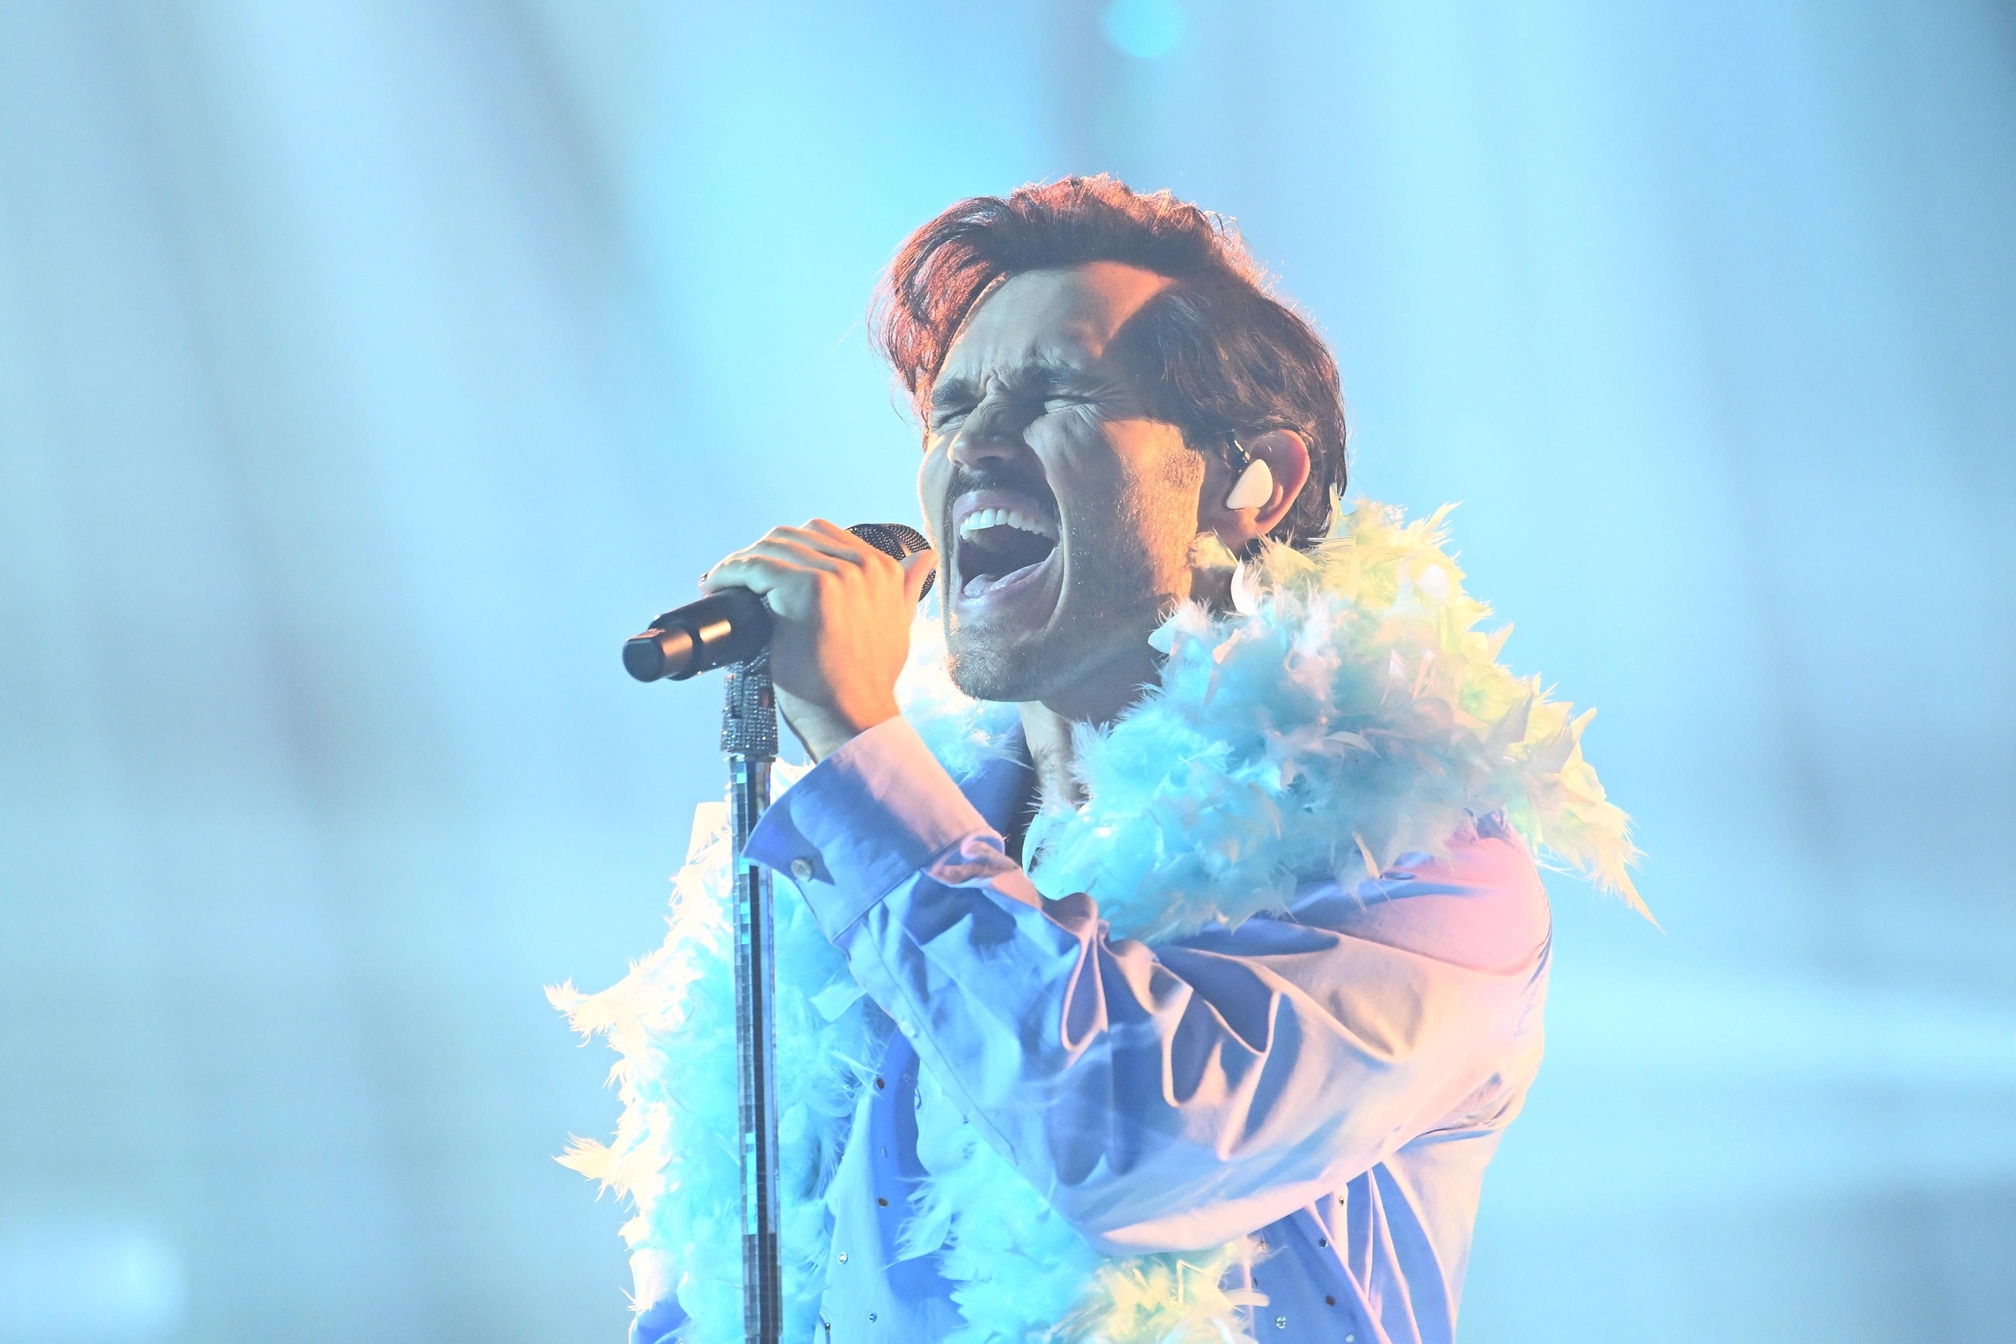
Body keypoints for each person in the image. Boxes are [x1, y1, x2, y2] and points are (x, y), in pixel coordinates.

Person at [554, 176, 1641, 1344]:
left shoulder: (1420, 859)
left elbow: (1138, 1140)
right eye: (949, 412)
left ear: (1253, 484)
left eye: (1053, 395)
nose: (974, 446)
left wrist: (858, 750)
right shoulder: (853, 870)